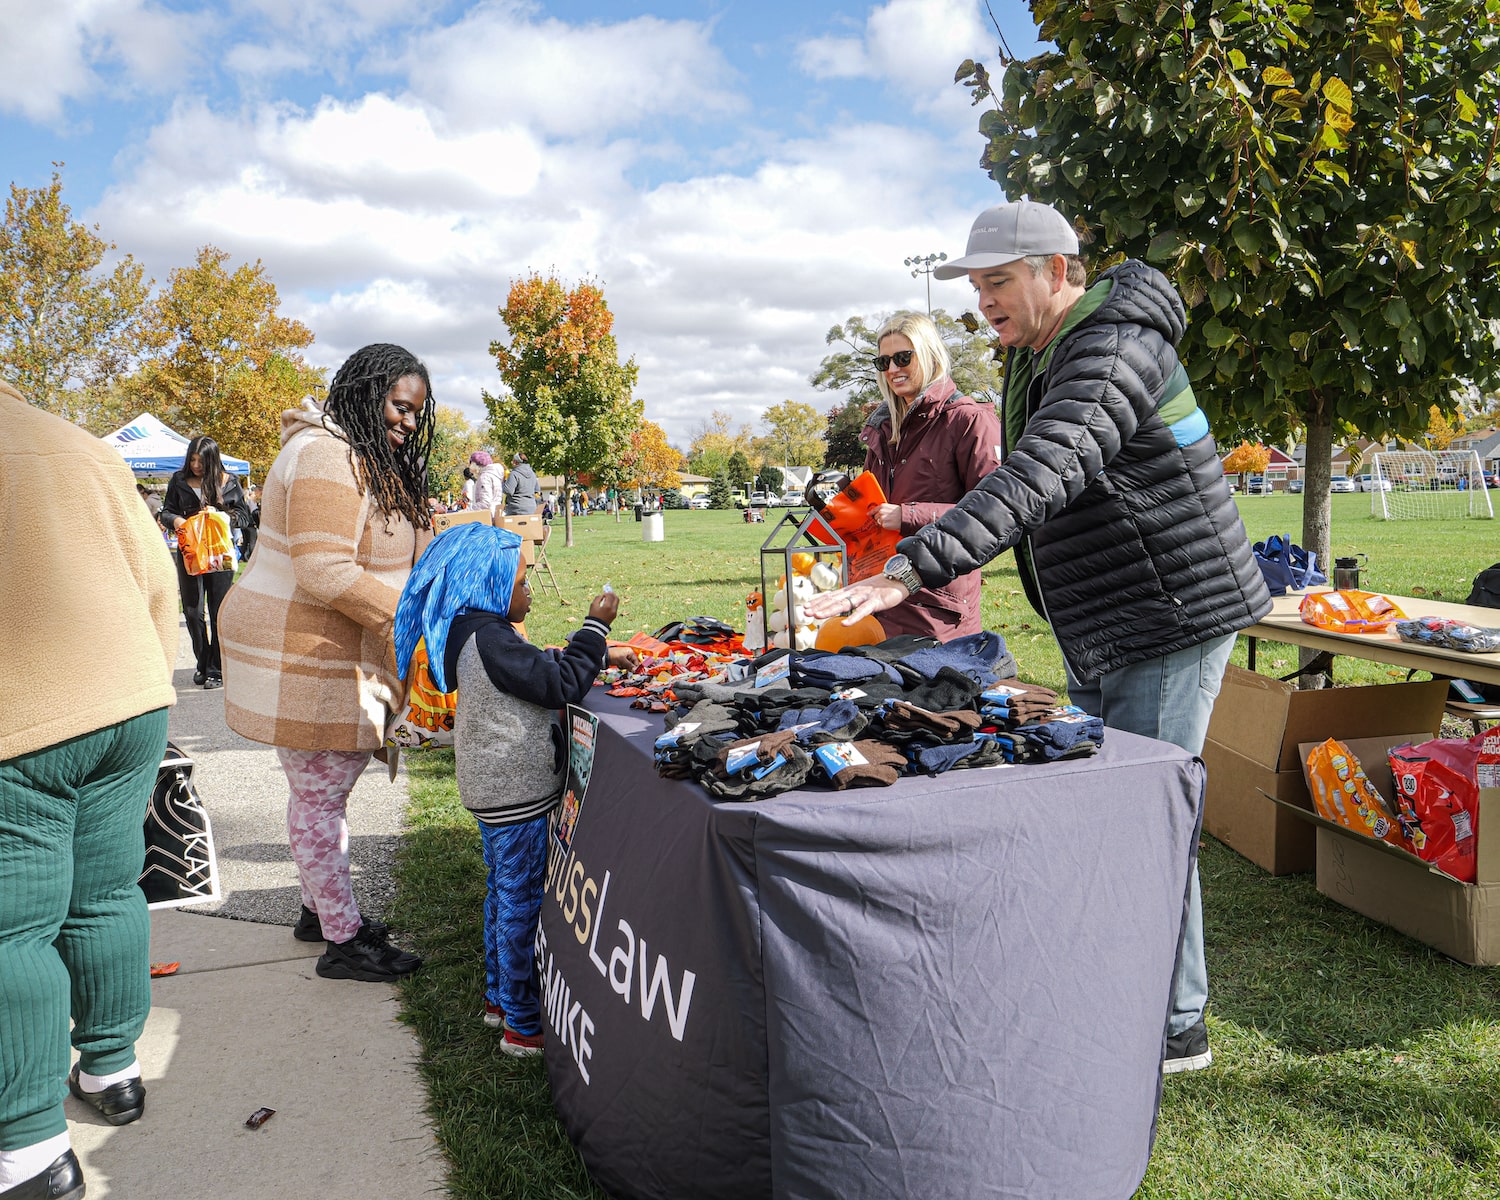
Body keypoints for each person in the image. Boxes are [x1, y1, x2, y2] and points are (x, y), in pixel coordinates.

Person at [807, 199, 1272, 1074]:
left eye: (998, 281)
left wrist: (908, 567)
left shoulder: (1113, 345)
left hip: (1167, 615)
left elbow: (1041, 474)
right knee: (1115, 806)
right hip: (1109, 618)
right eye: (975, 285)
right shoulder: (1041, 353)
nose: (982, 301)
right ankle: (1131, 986)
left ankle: (1176, 1026)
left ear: (1057, 271)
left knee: (1149, 816)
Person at [1, 383, 177, 1199]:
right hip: (128, 696)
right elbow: (158, 584)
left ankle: (28, 1149)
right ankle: (114, 1070)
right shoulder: (83, 445)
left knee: (12, 931)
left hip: (23, 712)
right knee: (107, 892)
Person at [218, 342, 435, 983]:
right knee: (320, 796)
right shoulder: (325, 456)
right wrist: (414, 614)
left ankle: (320, 909)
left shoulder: (362, 455)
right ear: (367, 394)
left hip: (355, 652)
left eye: (417, 411)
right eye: (400, 406)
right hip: (309, 654)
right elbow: (323, 568)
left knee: (329, 788)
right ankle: (342, 940)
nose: (409, 422)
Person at [392, 523, 637, 1055]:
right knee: (522, 901)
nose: (529, 592)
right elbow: (560, 684)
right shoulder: (493, 639)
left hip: (490, 789)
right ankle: (523, 1025)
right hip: (516, 795)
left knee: (503, 894)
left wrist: (598, 652)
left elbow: (528, 669)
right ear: (490, 583)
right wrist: (595, 628)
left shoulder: (471, 631)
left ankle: (499, 998)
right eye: (522, 582)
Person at [859, 311, 1003, 640]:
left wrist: (908, 516)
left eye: (903, 357)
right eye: (884, 362)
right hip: (882, 596)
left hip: (939, 606)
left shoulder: (969, 421)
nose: (893, 369)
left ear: (929, 354)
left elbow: (993, 516)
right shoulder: (883, 429)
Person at [158, 436, 252, 690]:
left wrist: (221, 516)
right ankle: (203, 662)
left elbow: (243, 516)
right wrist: (176, 520)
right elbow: (165, 512)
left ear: (212, 460)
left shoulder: (228, 482)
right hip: (190, 552)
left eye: (201, 460)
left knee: (218, 609)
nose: (196, 465)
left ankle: (216, 668)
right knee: (192, 611)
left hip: (219, 552)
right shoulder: (178, 480)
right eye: (192, 459)